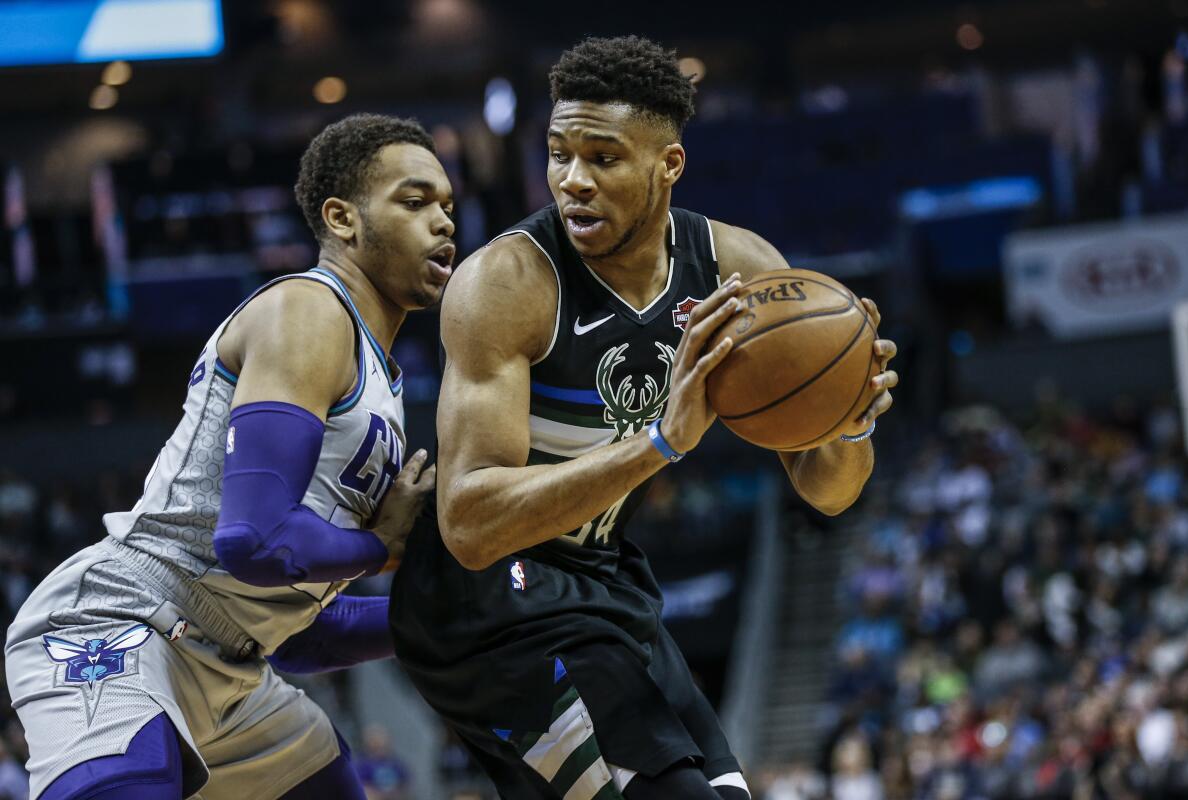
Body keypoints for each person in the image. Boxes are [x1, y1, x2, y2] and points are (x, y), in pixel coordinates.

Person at [392, 36, 898, 800]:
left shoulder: (738, 273)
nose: (573, 181)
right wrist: (661, 443)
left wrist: (847, 418)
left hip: (602, 584)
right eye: (560, 153)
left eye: (604, 158)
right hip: (486, 602)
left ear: (669, 166)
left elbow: (829, 491)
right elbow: (468, 525)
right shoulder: (505, 284)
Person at [5, 113, 454, 799]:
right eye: (414, 201)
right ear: (342, 219)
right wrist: (378, 548)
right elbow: (254, 539)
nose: (443, 222)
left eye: (448, 205)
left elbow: (303, 634)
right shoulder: (309, 311)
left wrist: (445, 612)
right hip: (125, 617)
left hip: (231, 667)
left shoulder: (380, 383)